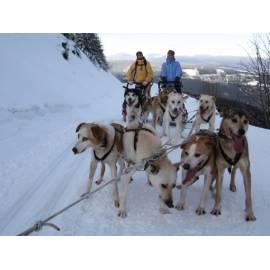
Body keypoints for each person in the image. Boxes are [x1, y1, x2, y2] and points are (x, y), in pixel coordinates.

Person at [122, 51, 153, 121]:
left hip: (144, 83)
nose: (139, 56)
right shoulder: (135, 63)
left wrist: (146, 81)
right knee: (130, 95)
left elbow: (150, 73)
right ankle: (125, 111)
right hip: (136, 83)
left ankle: (141, 111)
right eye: (138, 55)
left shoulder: (146, 63)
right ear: (137, 56)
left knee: (143, 97)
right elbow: (129, 71)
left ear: (142, 55)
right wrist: (130, 79)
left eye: (140, 55)